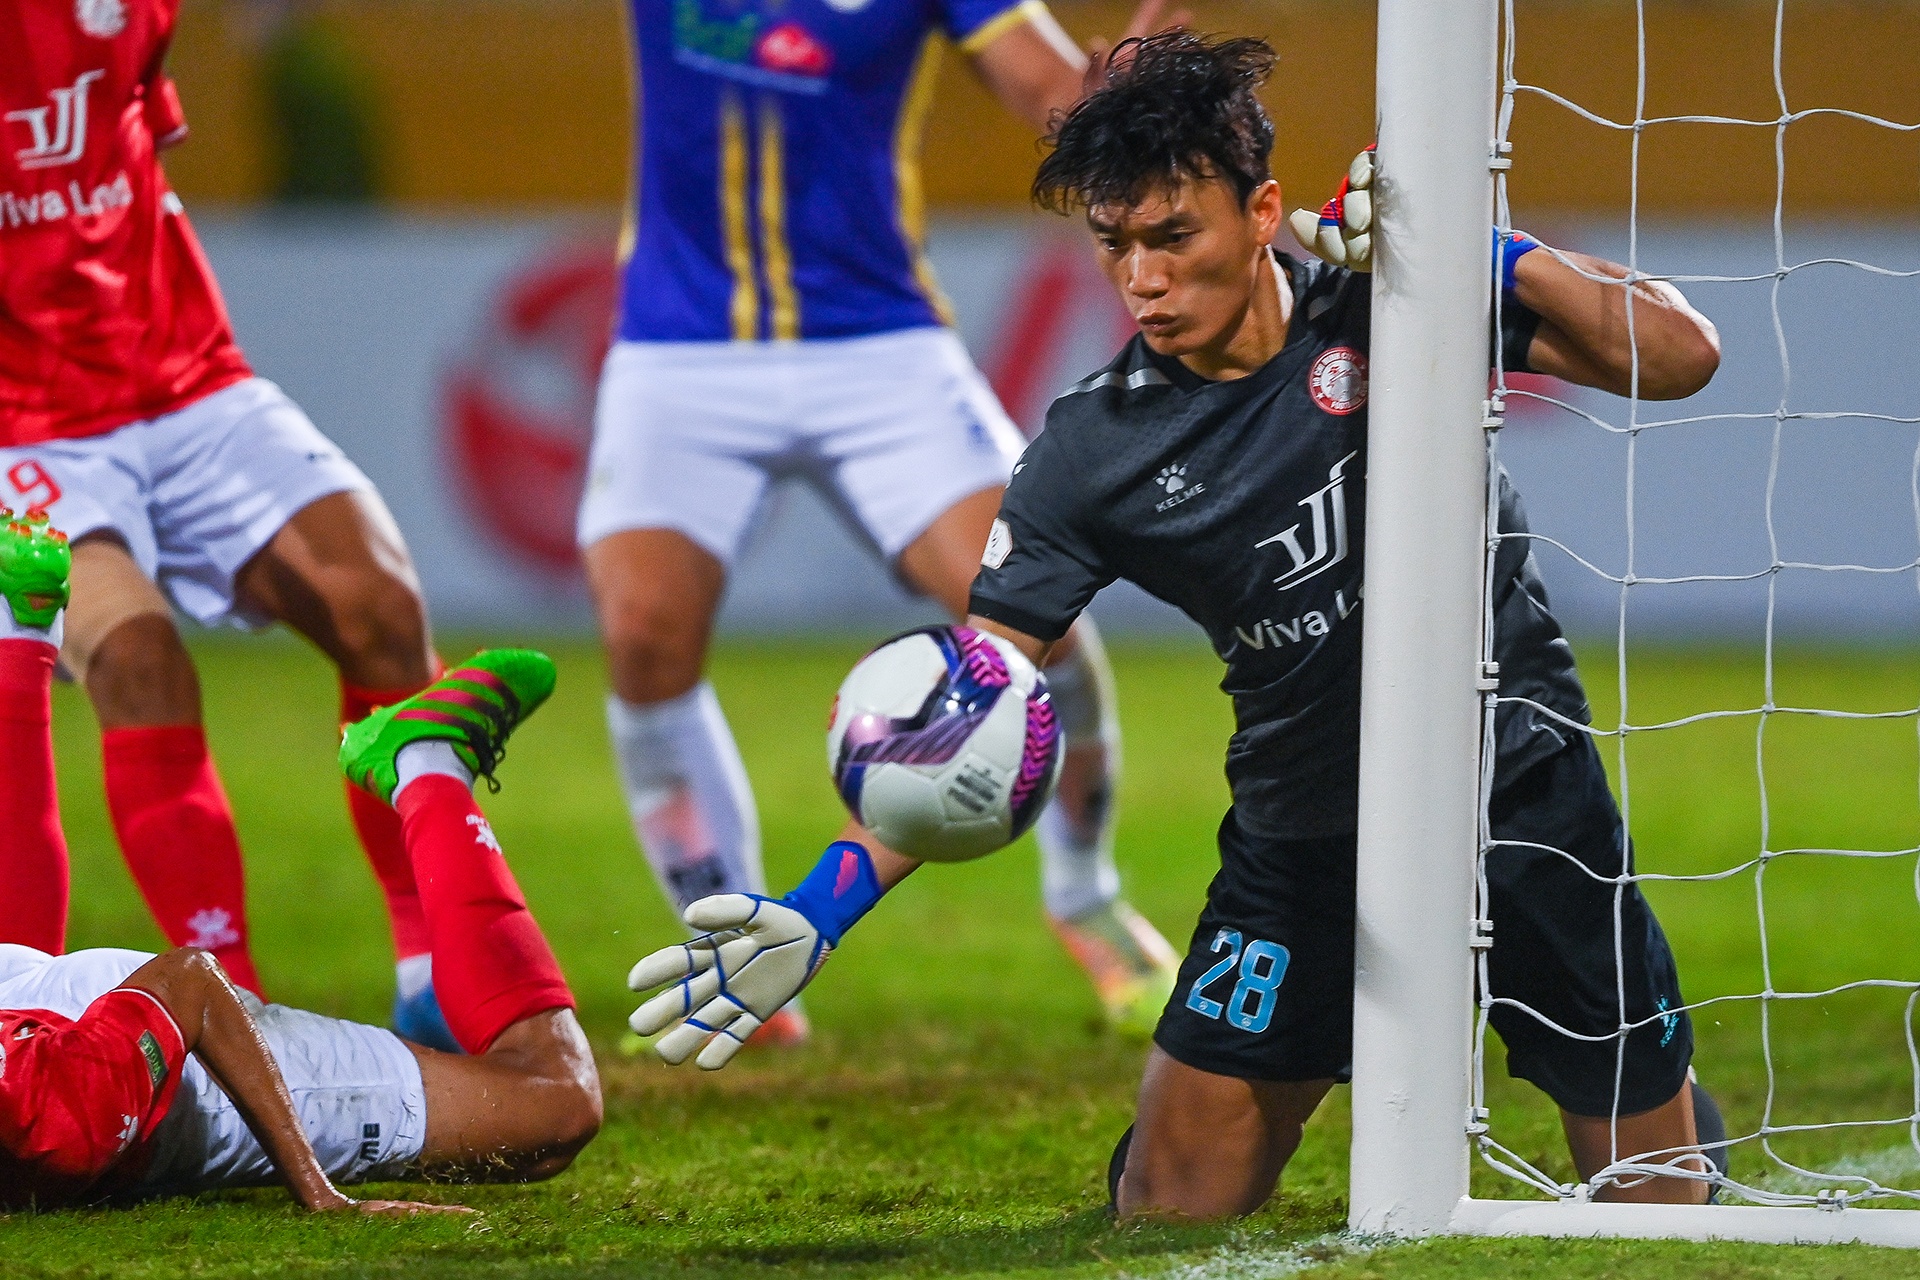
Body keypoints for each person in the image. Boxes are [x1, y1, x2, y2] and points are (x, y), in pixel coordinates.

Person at [626, 31, 1734, 1215]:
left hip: (1521, 790)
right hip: (1305, 831)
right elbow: (973, 712)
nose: (1142, 280)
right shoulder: (1088, 454)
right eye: (1114, 246)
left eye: (1172, 238)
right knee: (1164, 1205)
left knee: (1656, 1200)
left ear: (1264, 212)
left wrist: (1477, 249)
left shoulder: (1390, 300)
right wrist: (818, 908)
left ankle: (1670, 1111)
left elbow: (1680, 358)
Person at [583, 0, 1194, 1043]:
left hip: (879, 348)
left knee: (1040, 620)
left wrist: (1114, 107)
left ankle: (1084, 895)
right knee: (644, 636)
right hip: (681, 348)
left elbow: (1050, 91)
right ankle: (732, 935)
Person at [1, 0, 459, 1047]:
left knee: (380, 607)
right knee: (140, 662)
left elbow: (131, 146)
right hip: (25, 421)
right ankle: (242, 1016)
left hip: (191, 383)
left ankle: (433, 966)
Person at [0, 551, 600, 1210]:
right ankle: (18, 639)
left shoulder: (61, 1115)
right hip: (46, 1028)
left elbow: (190, 983)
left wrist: (320, 1195)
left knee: (554, 1107)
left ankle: (423, 760)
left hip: (163, 1064)